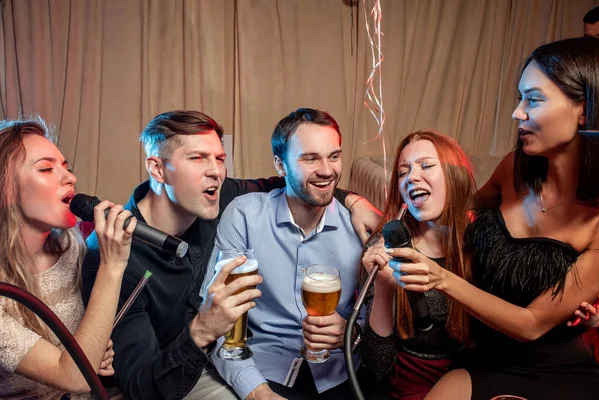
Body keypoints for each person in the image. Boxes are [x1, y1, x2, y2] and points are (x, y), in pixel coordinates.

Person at [81, 110, 381, 400]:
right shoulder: (113, 253)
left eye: (220, 158)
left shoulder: (216, 196)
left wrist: (353, 201)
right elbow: (139, 386)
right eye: (198, 158)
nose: (217, 171)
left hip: (235, 362)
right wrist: (201, 330)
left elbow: (298, 184)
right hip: (175, 376)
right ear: (157, 168)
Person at [387, 36, 599, 400]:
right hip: (484, 358)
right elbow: (455, 206)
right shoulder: (513, 168)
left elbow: (531, 325)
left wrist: (441, 277)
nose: (517, 112)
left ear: (583, 110)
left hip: (557, 369)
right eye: (519, 98)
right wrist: (357, 202)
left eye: (533, 99)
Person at [202, 108, 373, 400]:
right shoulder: (244, 215)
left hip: (340, 375)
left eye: (334, 156)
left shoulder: (359, 225)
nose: (327, 170)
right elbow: (219, 320)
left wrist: (351, 333)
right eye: (310, 158)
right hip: (265, 372)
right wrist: (256, 391)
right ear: (280, 165)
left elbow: (379, 314)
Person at [0, 118, 135, 399]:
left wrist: (96, 348)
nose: (70, 178)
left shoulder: (69, 244)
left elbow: (85, 348)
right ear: (7, 190)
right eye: (47, 169)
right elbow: (73, 375)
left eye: (66, 167)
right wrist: (112, 266)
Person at [360, 130, 475, 400]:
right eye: (403, 172)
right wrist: (384, 286)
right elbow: (376, 368)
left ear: (454, 174)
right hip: (406, 387)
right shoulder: (386, 244)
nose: (411, 177)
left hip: (475, 380)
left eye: (426, 165)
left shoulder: (483, 239)